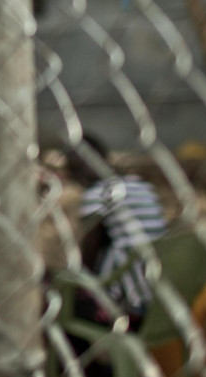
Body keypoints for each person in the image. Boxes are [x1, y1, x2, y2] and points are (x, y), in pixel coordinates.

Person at [68, 134, 167, 325]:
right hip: (156, 288)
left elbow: (86, 253)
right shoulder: (139, 184)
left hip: (129, 298)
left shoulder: (97, 194)